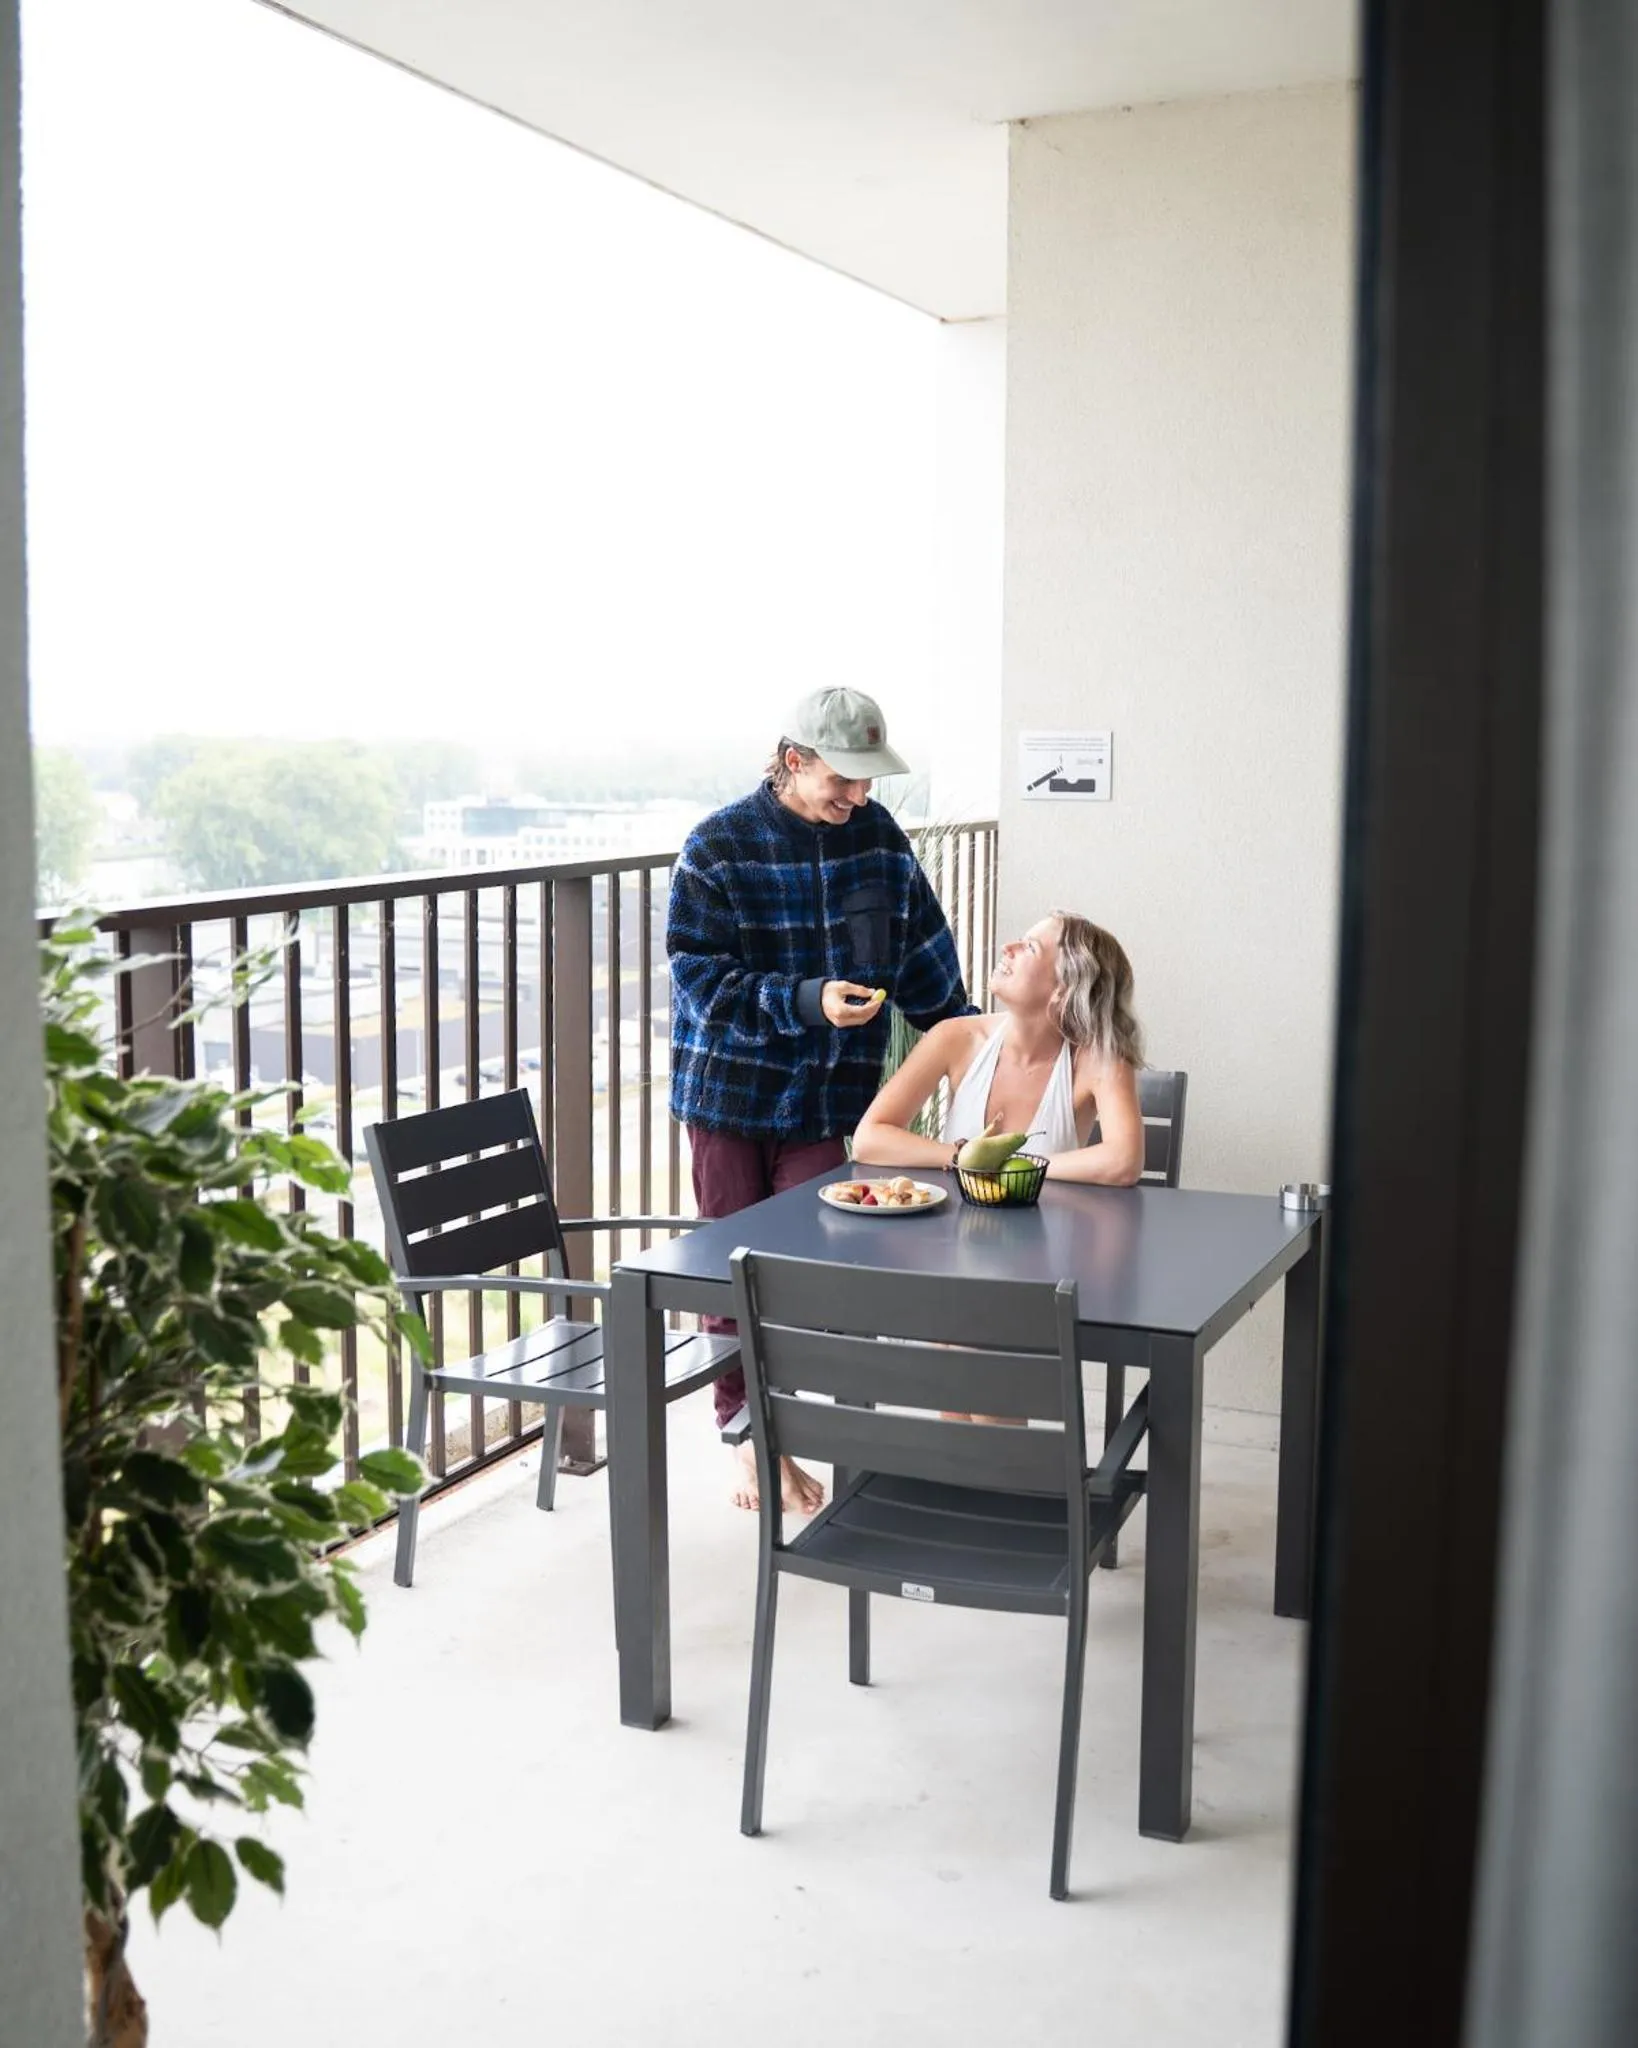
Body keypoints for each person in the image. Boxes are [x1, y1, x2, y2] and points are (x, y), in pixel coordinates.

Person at [668, 687, 975, 1513]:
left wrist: (972, 1045)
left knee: (817, 1276)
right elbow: (699, 980)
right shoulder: (717, 847)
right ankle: (749, 1447)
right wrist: (803, 1000)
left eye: (870, 781)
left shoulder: (876, 839)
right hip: (729, 1096)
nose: (859, 797)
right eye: (845, 779)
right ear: (793, 760)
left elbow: (923, 953)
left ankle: (811, 1436)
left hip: (831, 1098)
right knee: (733, 1280)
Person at [852, 911, 1146, 1425]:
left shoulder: (1096, 1058)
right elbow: (870, 1137)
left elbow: (1123, 1161)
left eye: (1031, 948)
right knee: (962, 1340)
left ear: (1063, 989)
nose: (1008, 947)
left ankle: (990, 1478)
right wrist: (961, 1157)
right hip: (953, 1266)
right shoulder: (957, 1037)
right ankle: (991, 1478)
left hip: (1045, 1271)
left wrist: (1013, 1167)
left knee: (971, 1346)